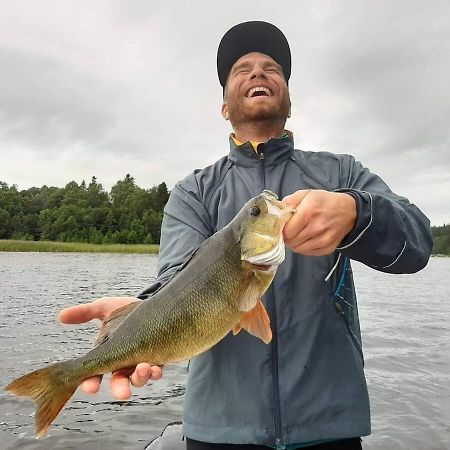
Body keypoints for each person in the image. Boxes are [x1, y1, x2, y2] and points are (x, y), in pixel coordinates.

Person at [59, 21, 433, 450]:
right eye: (242, 69)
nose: (258, 72)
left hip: (329, 424)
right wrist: (142, 314)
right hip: (218, 430)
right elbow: (175, 278)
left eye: (272, 67)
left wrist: (355, 210)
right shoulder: (194, 191)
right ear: (224, 106)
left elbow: (417, 243)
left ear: (289, 101)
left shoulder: (341, 174)